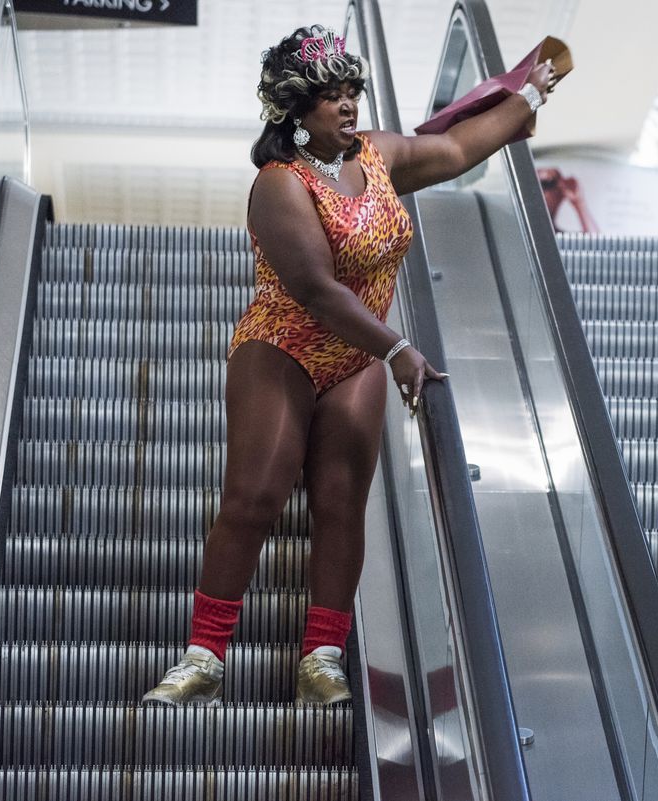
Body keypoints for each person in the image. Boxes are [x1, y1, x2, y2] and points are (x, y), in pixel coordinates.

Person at [143, 24, 560, 706]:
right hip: (284, 344)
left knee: (341, 504)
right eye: (329, 95)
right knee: (255, 496)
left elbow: (457, 149)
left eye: (350, 92)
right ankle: (203, 660)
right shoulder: (280, 185)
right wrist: (396, 347)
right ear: (295, 109)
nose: (346, 105)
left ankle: (323, 660)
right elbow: (316, 290)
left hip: (358, 355)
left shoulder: (378, 155)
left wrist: (528, 96)